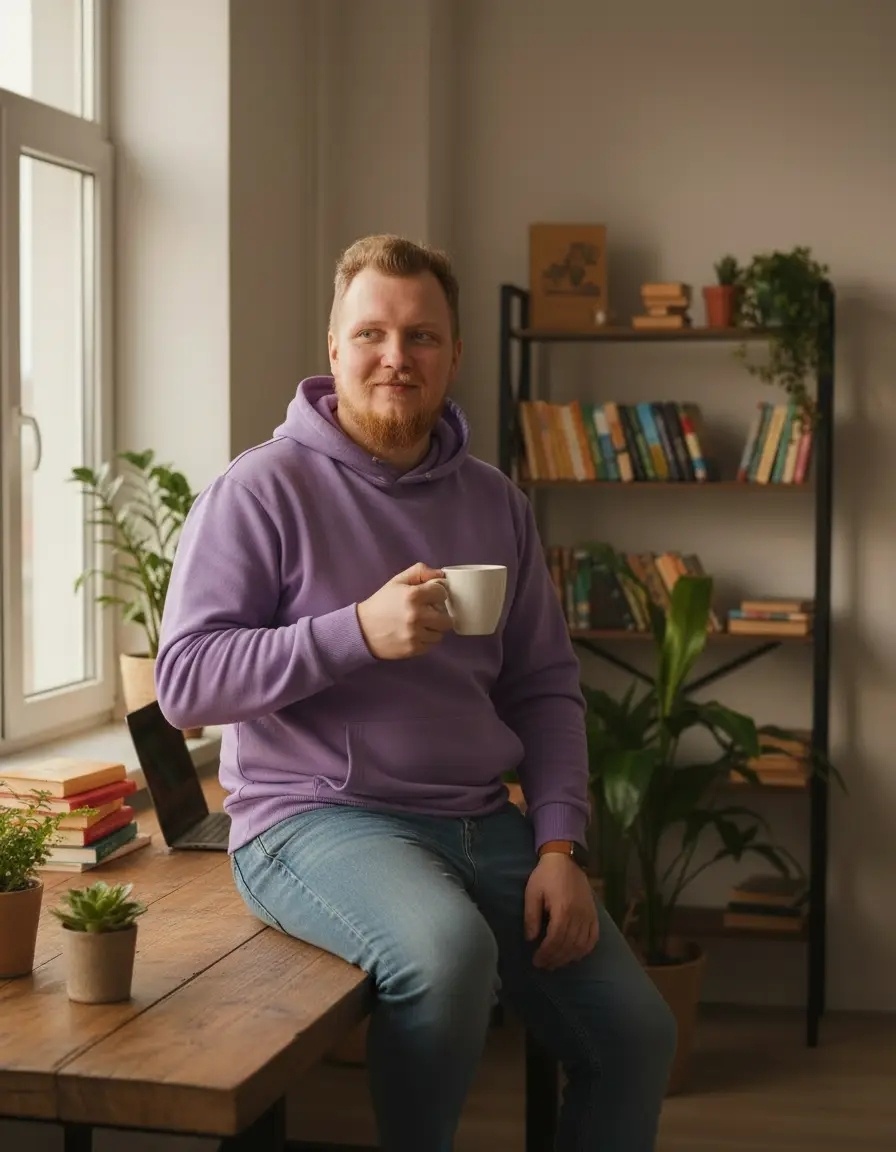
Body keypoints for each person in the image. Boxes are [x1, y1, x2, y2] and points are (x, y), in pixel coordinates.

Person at [155, 234, 676, 1152]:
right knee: (448, 955)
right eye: (372, 334)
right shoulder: (258, 490)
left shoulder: (497, 501)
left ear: (454, 354)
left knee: (637, 1035)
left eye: (422, 336)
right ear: (334, 348)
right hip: (313, 820)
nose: (396, 356)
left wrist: (561, 844)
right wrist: (355, 631)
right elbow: (185, 683)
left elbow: (545, 688)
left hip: (482, 819)